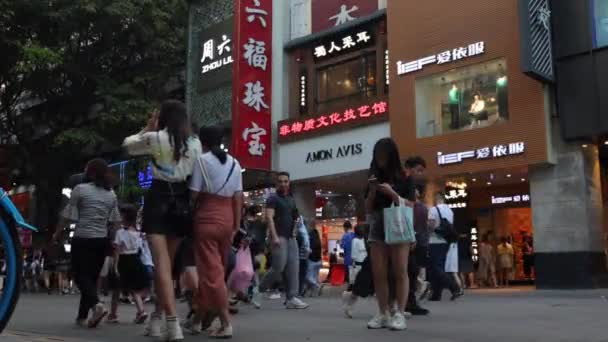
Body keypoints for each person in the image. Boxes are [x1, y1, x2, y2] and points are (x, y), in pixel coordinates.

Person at [123, 100, 201, 340]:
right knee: (166, 268)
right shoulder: (195, 143)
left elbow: (127, 146)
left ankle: (172, 322)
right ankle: (157, 320)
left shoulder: (155, 138)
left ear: (163, 118)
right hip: (181, 203)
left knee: (162, 267)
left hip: (158, 200)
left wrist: (147, 127)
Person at [189, 126, 243, 339]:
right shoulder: (235, 163)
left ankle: (225, 323)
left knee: (212, 275)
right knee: (213, 272)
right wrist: (236, 225)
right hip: (227, 221)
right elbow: (238, 197)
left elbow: (193, 196)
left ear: (203, 142)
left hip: (206, 220)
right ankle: (196, 321)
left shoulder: (201, 161)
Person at [55, 158, 121, 328]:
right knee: (91, 278)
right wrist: (112, 240)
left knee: (79, 275)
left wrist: (57, 232)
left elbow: (68, 216)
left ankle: (97, 305)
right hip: (102, 240)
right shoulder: (111, 194)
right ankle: (82, 317)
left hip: (82, 238)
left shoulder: (80, 189)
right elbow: (115, 221)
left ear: (91, 173)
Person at [365, 138, 413, 331]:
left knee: (400, 270)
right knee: (379, 272)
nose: (380, 160)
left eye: (383, 156)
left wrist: (392, 194)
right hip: (377, 224)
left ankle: (399, 313)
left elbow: (411, 205)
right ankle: (383, 312)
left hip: (398, 222)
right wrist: (371, 192)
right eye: (377, 156)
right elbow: (368, 209)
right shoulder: (372, 176)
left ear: (391, 156)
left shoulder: (404, 177)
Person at [259, 172, 309, 310]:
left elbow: (296, 217)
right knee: (278, 267)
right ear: (277, 183)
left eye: (285, 181)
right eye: (280, 181)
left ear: (289, 182)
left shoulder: (291, 199)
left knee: (294, 267)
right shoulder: (272, 199)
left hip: (290, 238)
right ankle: (259, 290)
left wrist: (294, 231)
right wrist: (274, 237)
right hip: (278, 237)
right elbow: (269, 218)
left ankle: (291, 298)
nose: (283, 184)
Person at [108, 204, 149, 324]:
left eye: (121, 214)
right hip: (136, 260)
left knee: (116, 289)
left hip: (124, 260)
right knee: (134, 289)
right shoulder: (138, 232)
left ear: (125, 216)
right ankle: (141, 311)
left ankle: (113, 314)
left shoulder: (120, 232)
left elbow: (117, 251)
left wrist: (115, 266)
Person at [403, 157, 430, 316]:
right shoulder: (404, 184)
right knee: (409, 271)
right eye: (418, 170)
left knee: (412, 272)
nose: (419, 174)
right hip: (407, 238)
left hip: (417, 241)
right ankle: (405, 303)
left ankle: (409, 302)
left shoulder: (420, 206)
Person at [427, 192, 461, 302]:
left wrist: (426, 225)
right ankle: (436, 294)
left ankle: (454, 287)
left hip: (434, 241)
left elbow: (431, 225)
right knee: (439, 266)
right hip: (446, 241)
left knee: (435, 267)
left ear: (437, 198)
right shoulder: (450, 211)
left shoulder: (433, 209)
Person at [302, 222, 323, 297]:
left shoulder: (309, 236)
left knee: (307, 277)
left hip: (312, 260)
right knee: (314, 277)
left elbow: (308, 249)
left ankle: (317, 286)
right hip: (318, 260)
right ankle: (311, 293)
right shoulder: (317, 236)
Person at [296, 214, 311, 297]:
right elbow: (305, 244)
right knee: (302, 275)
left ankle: (300, 291)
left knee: (300, 275)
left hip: (299, 257)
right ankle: (300, 291)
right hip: (302, 257)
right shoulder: (303, 232)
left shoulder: (299, 231)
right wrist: (308, 250)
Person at [340, 221, 355, 287]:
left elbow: (342, 246)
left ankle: (350, 287)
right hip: (356, 258)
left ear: (345, 228)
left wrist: (340, 243)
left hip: (348, 258)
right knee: (354, 274)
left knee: (349, 274)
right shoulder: (355, 235)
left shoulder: (345, 236)